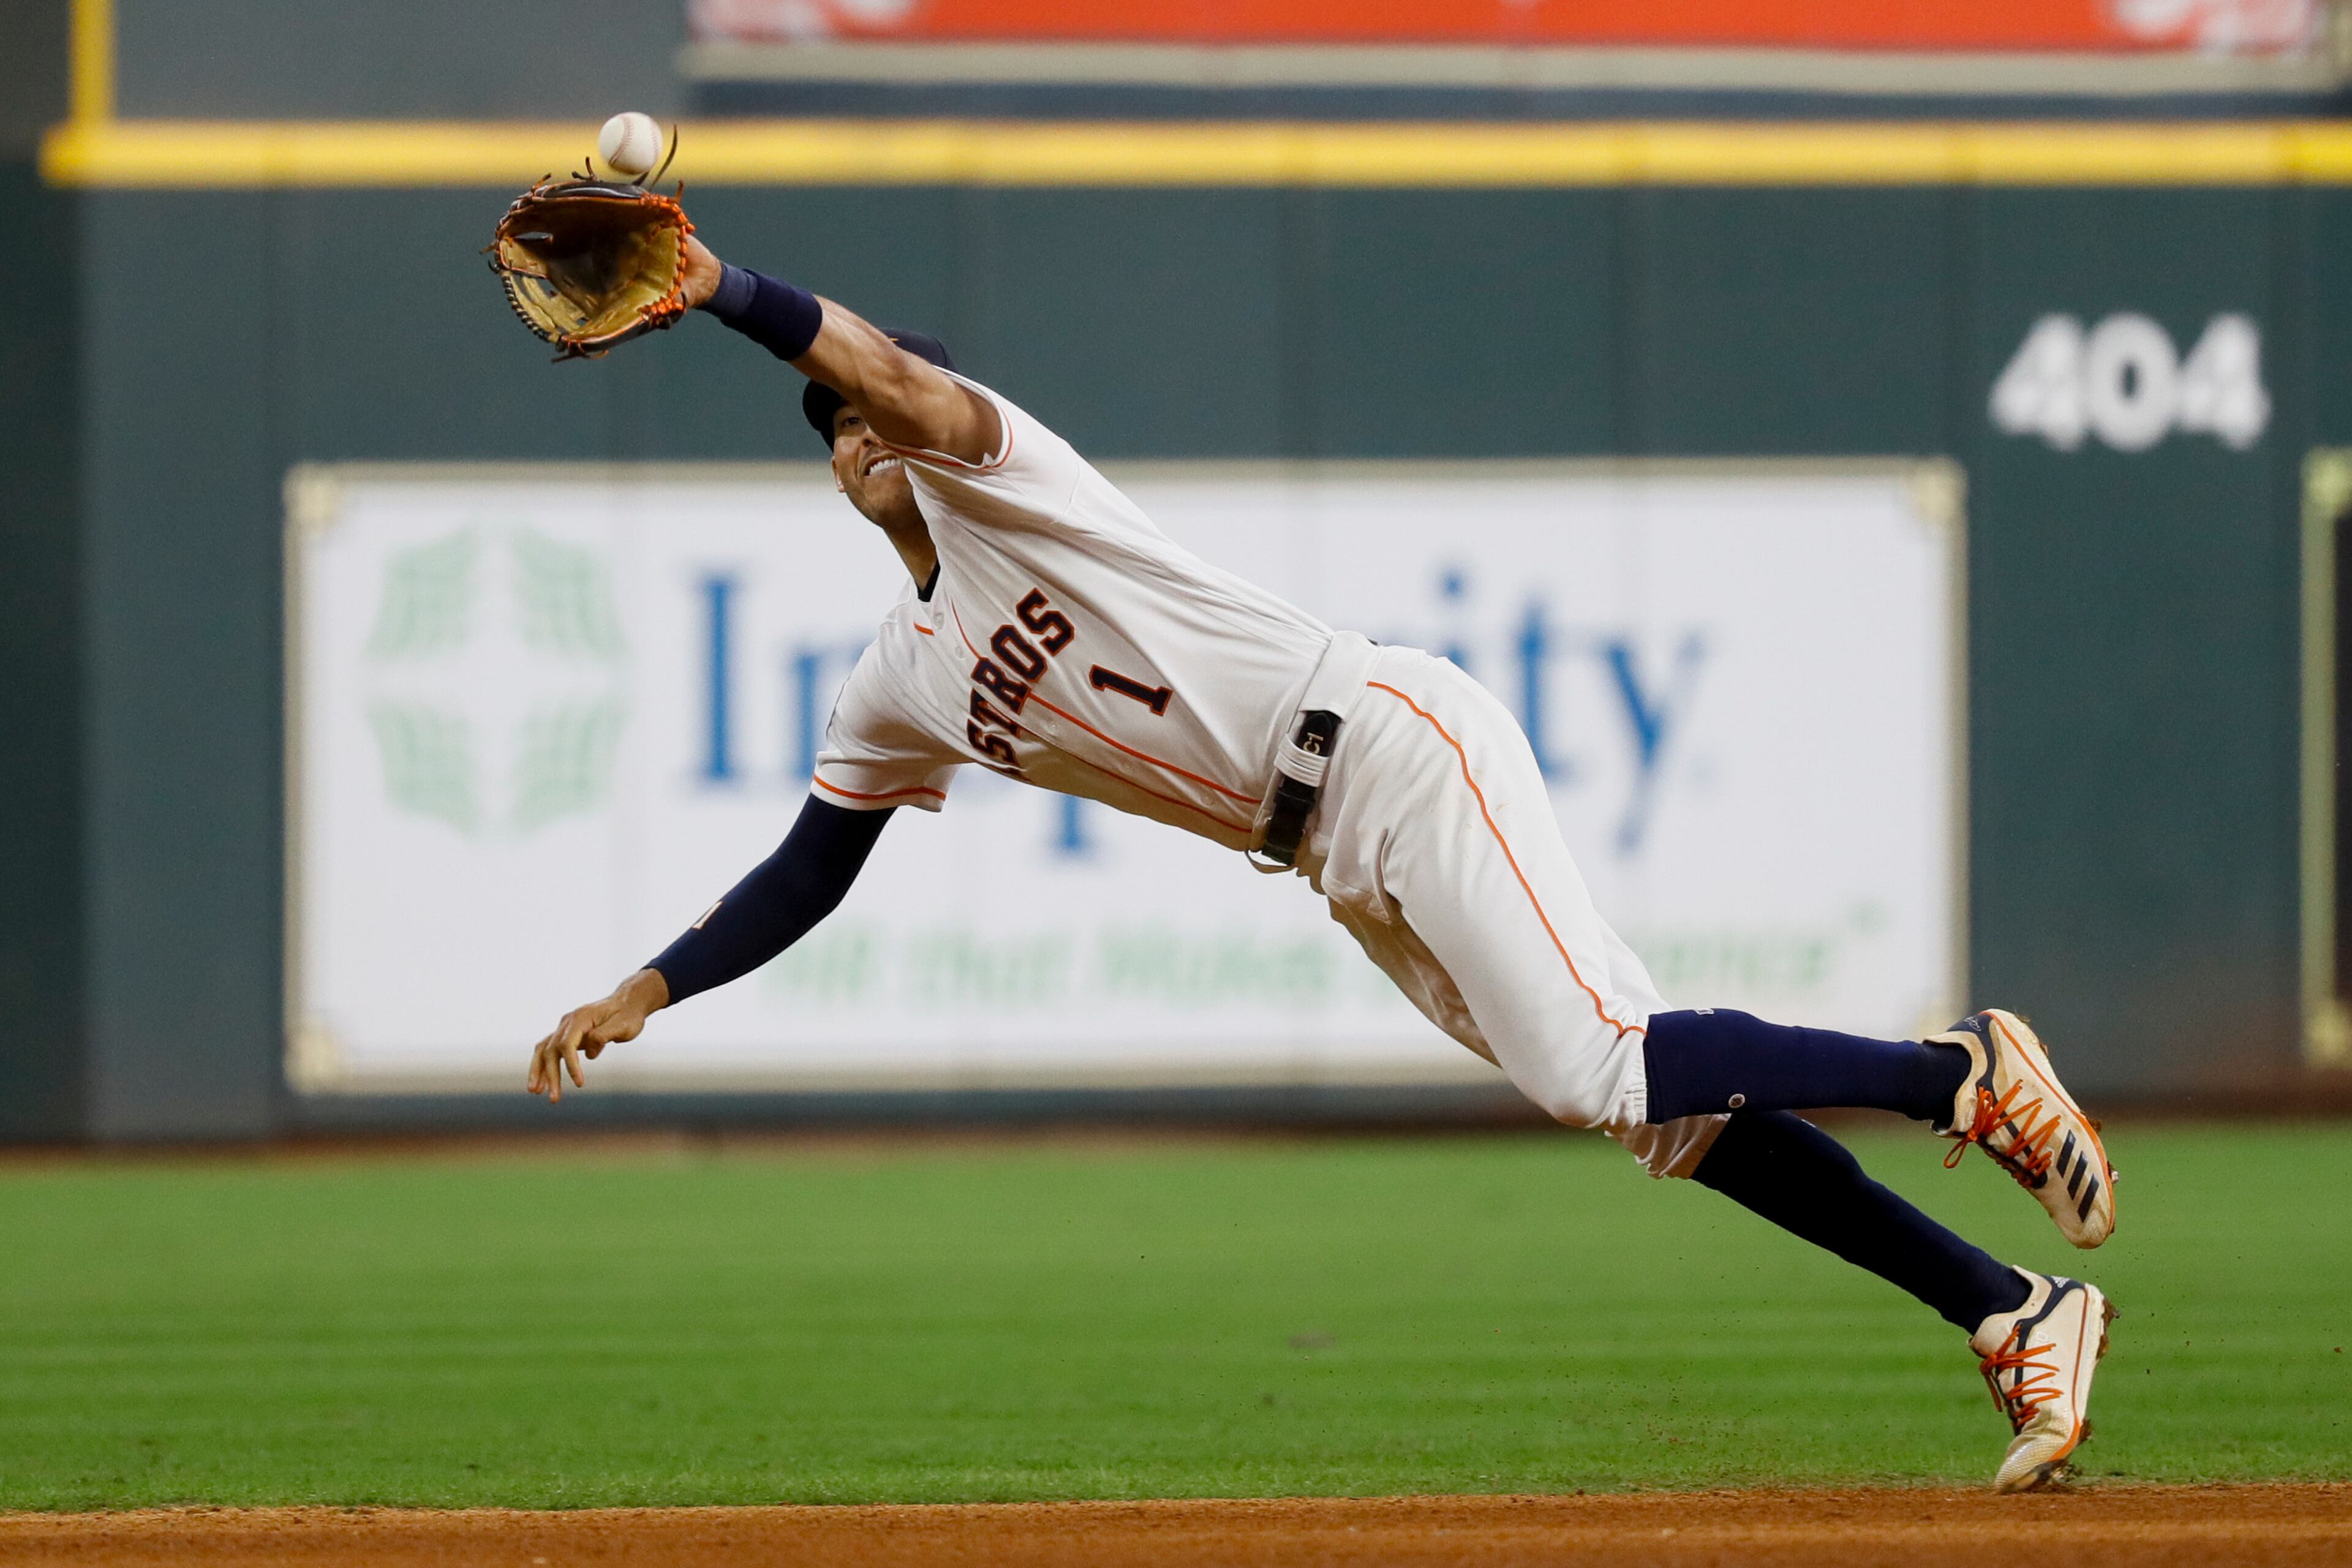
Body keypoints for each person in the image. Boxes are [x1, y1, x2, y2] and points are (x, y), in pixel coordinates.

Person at [527, 233, 2119, 1492]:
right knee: (1676, 1126)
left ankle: (1955, 1072)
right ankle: (2009, 1310)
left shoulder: (1010, 479)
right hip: (1329, 853)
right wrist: (648, 987)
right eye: (835, 427)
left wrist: (732, 292)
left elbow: (884, 371)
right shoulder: (899, 680)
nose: (857, 426)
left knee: (1593, 1067)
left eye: (870, 402)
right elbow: (815, 863)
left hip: (1388, 742)